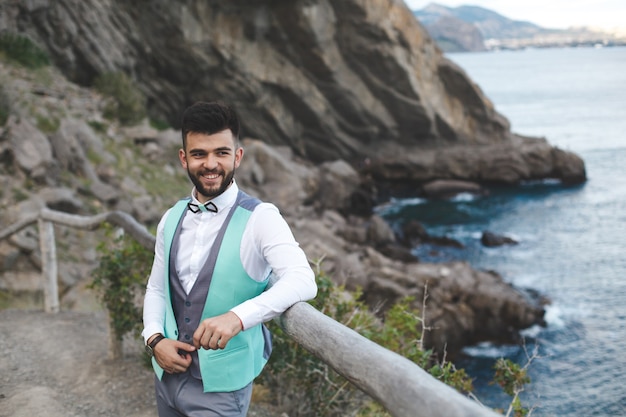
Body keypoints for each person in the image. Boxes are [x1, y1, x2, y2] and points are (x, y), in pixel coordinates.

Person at [142, 101, 317, 417]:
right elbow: (156, 289)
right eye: (199, 154)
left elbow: (303, 279)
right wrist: (154, 340)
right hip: (166, 376)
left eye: (221, 152)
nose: (211, 164)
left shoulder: (261, 218)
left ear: (237, 156)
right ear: (184, 159)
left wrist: (238, 317)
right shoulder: (171, 217)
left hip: (222, 390)